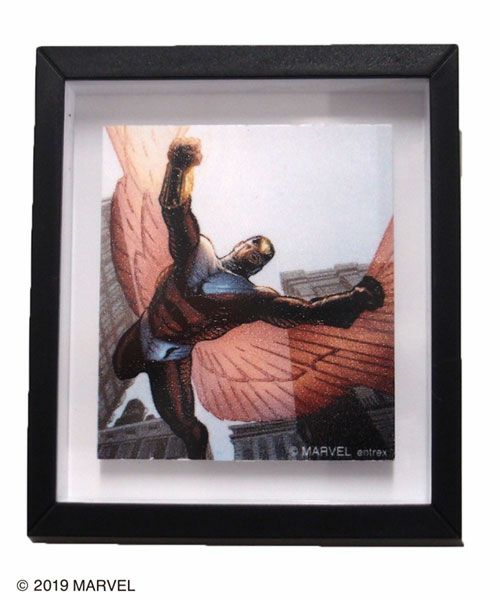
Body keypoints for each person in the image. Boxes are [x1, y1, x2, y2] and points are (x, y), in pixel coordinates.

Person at [113, 138, 384, 459]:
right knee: (120, 369)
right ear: (242, 244)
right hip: (143, 332)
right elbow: (175, 211)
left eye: (261, 257)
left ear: (258, 267)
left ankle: (199, 466)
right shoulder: (198, 253)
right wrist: (179, 165)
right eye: (254, 245)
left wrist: (354, 301)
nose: (256, 253)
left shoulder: (250, 298)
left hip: (170, 358)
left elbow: (303, 312)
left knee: (185, 427)